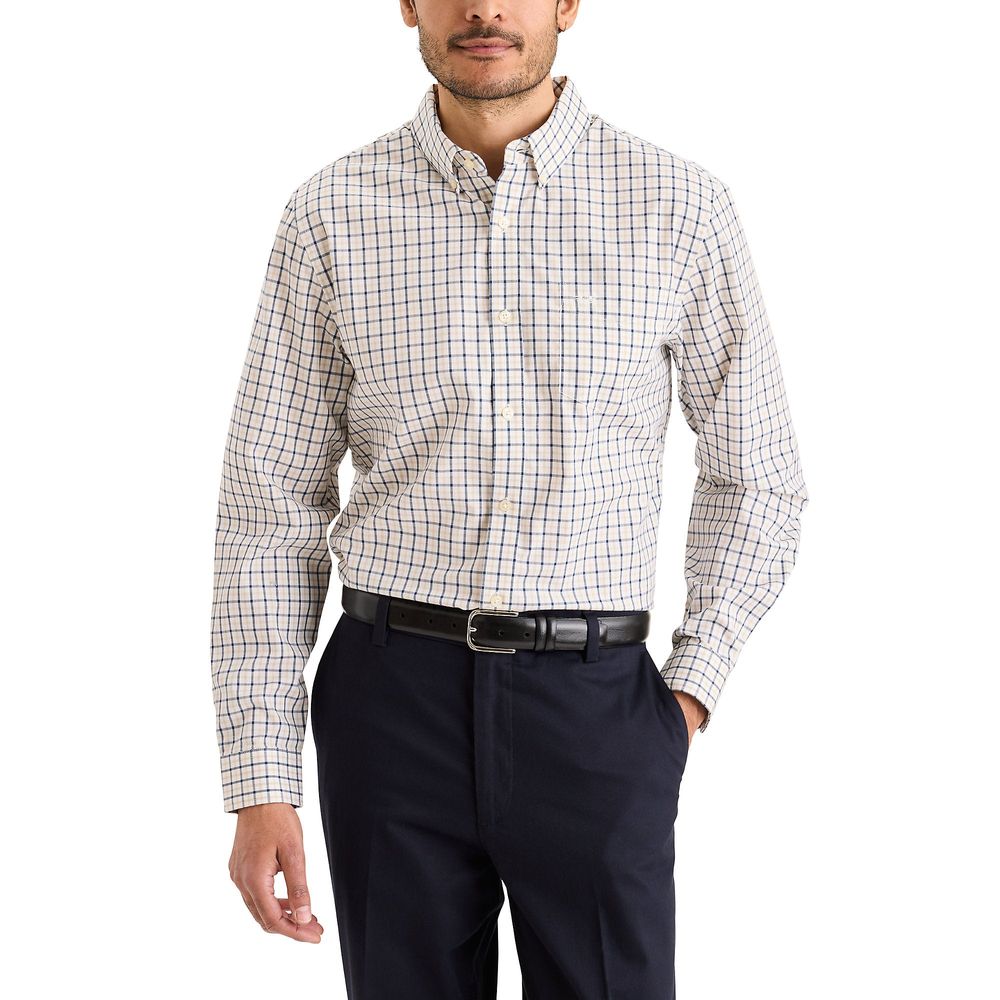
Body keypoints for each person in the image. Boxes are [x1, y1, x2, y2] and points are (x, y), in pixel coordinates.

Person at [211, 1, 809, 995]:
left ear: (567, 3)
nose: (485, 8)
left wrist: (686, 695)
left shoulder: (679, 206)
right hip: (388, 705)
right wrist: (261, 778)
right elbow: (269, 506)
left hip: (598, 708)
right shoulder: (331, 211)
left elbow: (758, 473)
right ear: (408, 3)